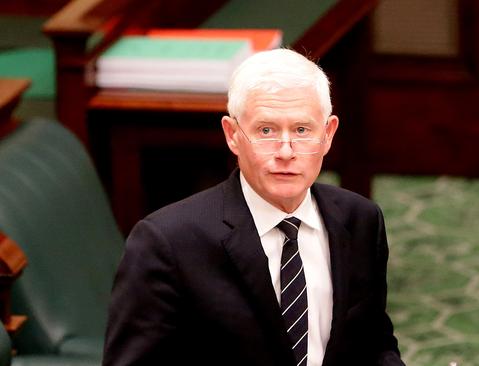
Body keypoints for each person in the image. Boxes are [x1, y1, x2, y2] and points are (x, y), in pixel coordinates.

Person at [103, 48, 405, 366]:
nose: (286, 151)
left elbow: (374, 343)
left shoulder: (360, 221)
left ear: (327, 134)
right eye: (266, 131)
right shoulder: (167, 242)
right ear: (232, 135)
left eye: (302, 130)